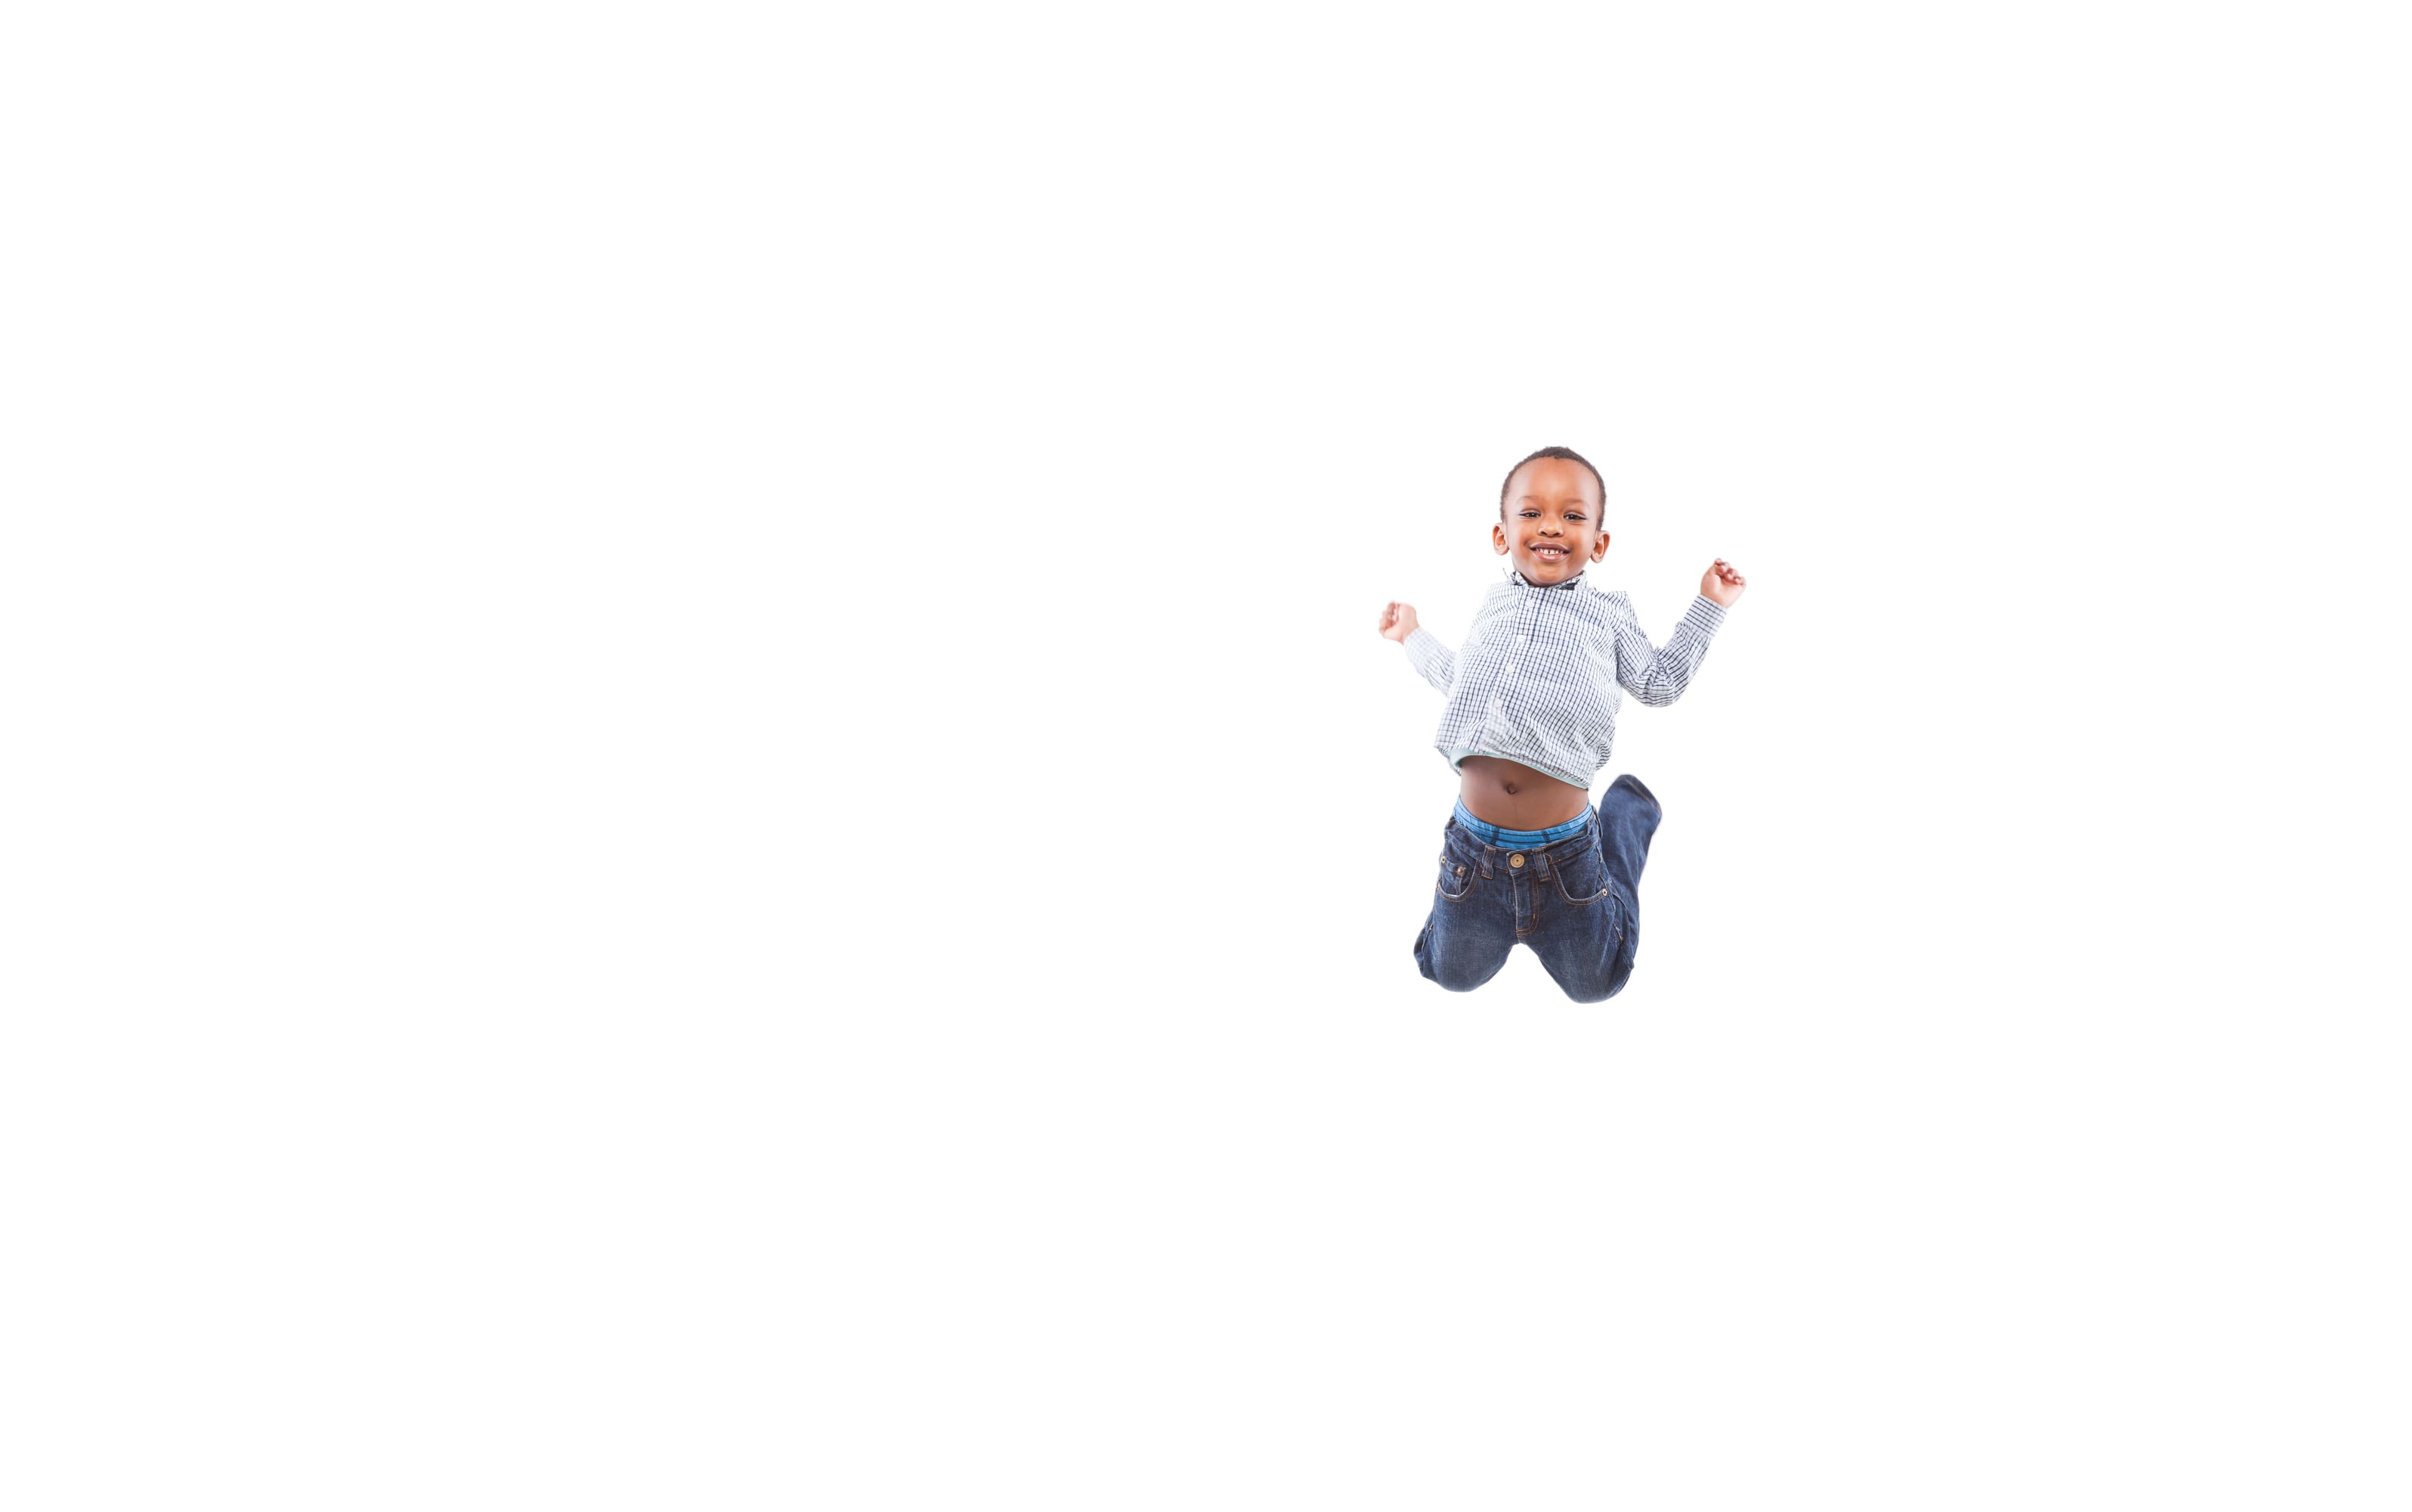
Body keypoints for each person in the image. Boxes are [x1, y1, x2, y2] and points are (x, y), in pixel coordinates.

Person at [1376, 445, 1746, 1000]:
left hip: (1567, 857)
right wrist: (1411, 635)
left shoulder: (1608, 616)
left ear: (1598, 544)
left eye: (1573, 516)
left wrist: (1710, 604)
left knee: (1598, 984)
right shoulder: (1493, 605)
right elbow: (1461, 683)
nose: (1551, 526)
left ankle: (1623, 820)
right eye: (1531, 513)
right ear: (1501, 535)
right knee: (1447, 973)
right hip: (1473, 853)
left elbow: (1660, 683)